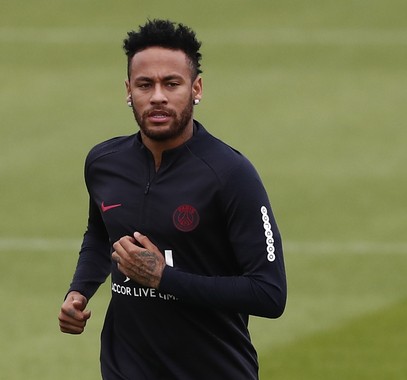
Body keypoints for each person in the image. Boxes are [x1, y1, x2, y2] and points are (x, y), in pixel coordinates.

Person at [58, 19, 287, 379]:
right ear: (128, 90)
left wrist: (165, 278)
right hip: (124, 368)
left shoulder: (230, 175)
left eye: (172, 83)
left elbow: (269, 294)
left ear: (196, 88)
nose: (158, 96)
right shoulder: (104, 163)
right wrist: (80, 291)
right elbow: (102, 233)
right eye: (145, 84)